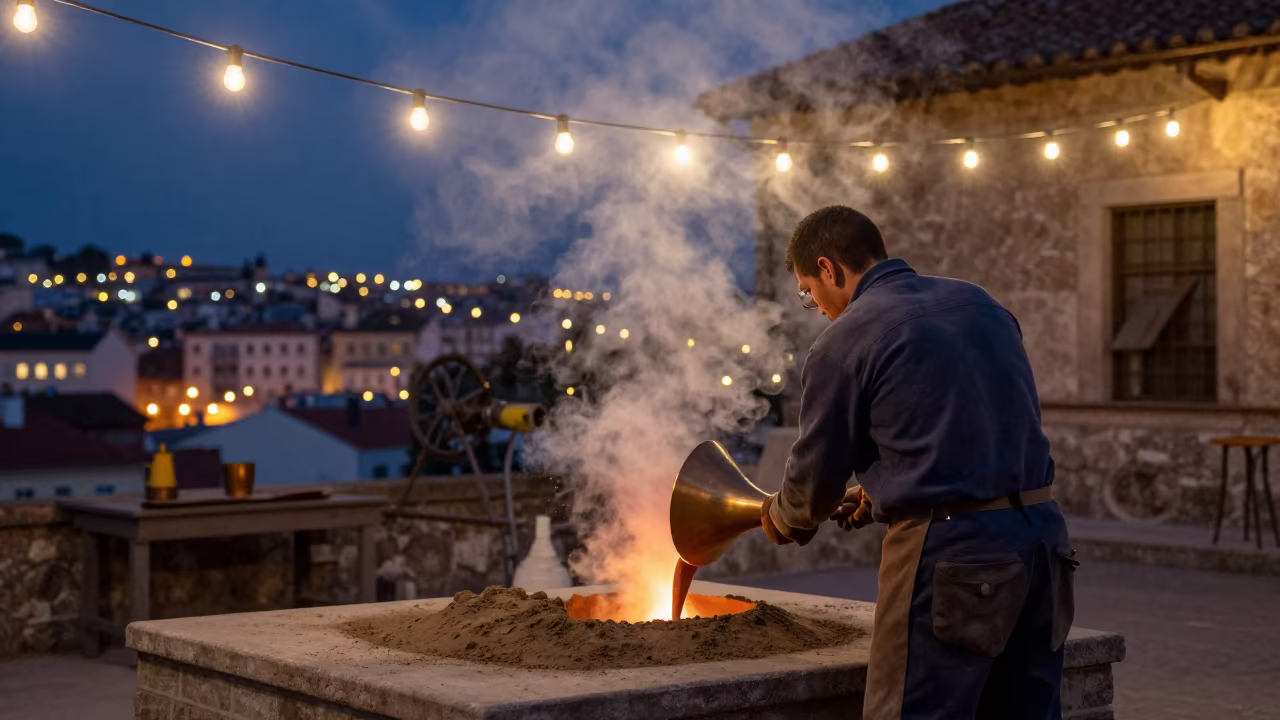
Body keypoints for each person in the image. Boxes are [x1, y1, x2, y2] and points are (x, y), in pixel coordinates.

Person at [760, 205, 1076, 720]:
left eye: (807, 289)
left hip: (954, 556)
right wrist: (883, 486)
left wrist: (782, 517)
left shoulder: (843, 340)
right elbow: (970, 423)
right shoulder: (981, 303)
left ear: (829, 269)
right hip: (1044, 544)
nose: (813, 304)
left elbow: (813, 483)